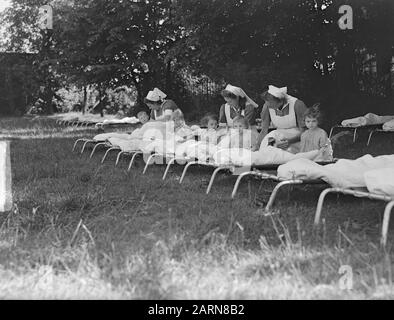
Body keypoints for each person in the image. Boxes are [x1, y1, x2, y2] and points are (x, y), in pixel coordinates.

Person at [255, 85, 308, 152]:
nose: (266, 104)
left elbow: (305, 133)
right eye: (265, 101)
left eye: (269, 101)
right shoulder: (267, 106)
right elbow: (264, 130)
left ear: (280, 101)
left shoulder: (298, 105)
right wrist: (257, 146)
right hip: (279, 138)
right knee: (272, 136)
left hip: (297, 140)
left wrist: (290, 141)